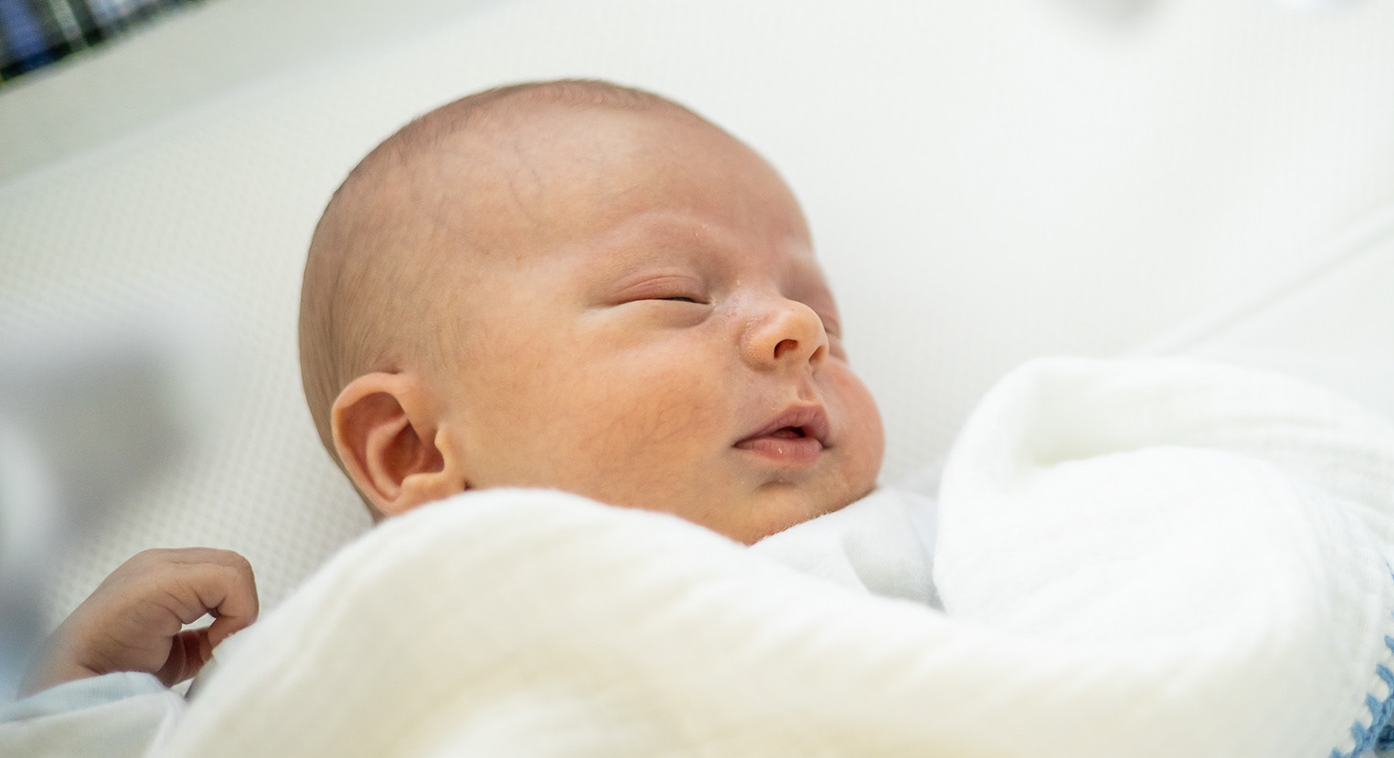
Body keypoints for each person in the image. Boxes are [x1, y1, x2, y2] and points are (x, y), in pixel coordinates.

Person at [18, 80, 924, 703]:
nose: (798, 330)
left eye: (822, 317)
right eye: (675, 295)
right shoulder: (330, 670)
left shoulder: (924, 536)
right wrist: (76, 704)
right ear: (413, 449)